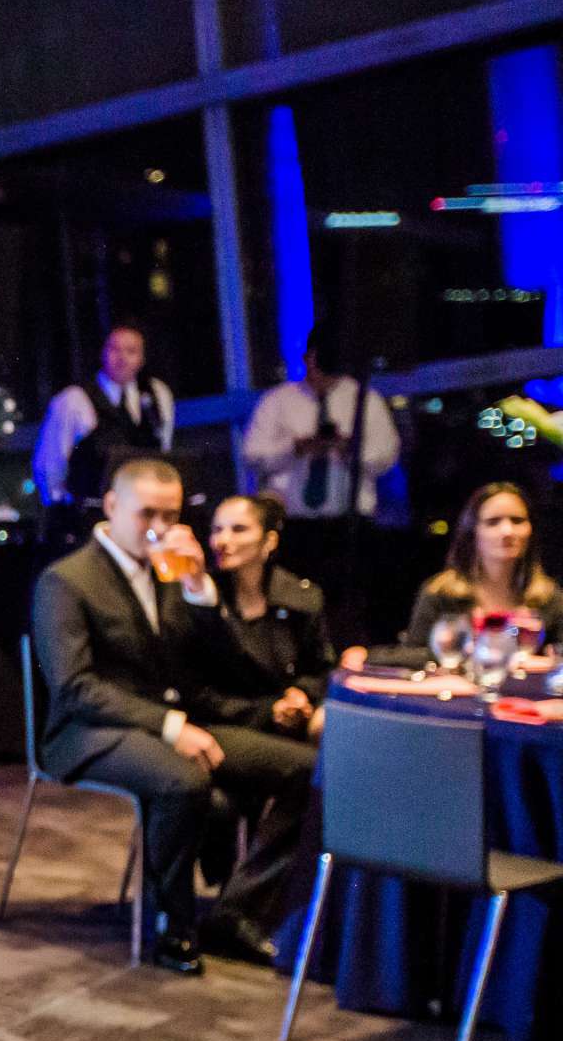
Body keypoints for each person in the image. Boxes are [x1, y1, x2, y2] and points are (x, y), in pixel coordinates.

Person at [30, 458, 315, 974]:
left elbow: (221, 662)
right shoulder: (67, 581)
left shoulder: (172, 572)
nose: (161, 528)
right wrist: (170, 727)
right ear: (113, 507)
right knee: (183, 781)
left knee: (313, 770)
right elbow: (74, 689)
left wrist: (201, 591)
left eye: (172, 515)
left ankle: (237, 912)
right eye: (147, 515)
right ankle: (174, 927)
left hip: (176, 720)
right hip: (89, 733)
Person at [207, 492, 334, 741]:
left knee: (333, 729)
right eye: (217, 529)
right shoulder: (202, 595)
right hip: (230, 720)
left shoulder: (301, 596)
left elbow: (322, 667)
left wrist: (300, 693)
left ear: (269, 541)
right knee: (307, 766)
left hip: (291, 715)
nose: (222, 540)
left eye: (238, 529)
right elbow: (200, 689)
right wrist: (270, 711)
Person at [241, 329, 401, 522]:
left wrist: (349, 448)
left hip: (352, 517)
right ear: (305, 357)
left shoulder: (365, 400)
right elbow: (252, 456)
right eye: (311, 359)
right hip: (292, 518)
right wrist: (295, 448)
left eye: (322, 361)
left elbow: (386, 457)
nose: (316, 368)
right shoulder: (276, 401)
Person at [399, 480, 563, 649]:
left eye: (517, 520)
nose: (507, 531)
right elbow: (412, 654)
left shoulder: (550, 597)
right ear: (472, 532)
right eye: (493, 522)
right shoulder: (440, 593)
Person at [32, 323, 176, 511]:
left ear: (142, 358)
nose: (122, 358)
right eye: (115, 349)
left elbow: (164, 449)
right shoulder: (74, 399)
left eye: (131, 351)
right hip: (90, 511)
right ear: (103, 352)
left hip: (144, 510)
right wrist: (60, 510)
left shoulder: (157, 394)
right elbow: (51, 465)